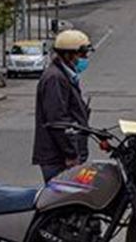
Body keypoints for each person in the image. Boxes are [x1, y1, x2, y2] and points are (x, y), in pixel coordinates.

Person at [32, 29, 93, 183]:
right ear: (68, 55)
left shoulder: (65, 76)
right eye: (82, 55)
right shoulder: (55, 79)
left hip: (64, 155)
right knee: (63, 202)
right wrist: (70, 154)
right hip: (58, 158)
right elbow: (57, 120)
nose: (85, 59)